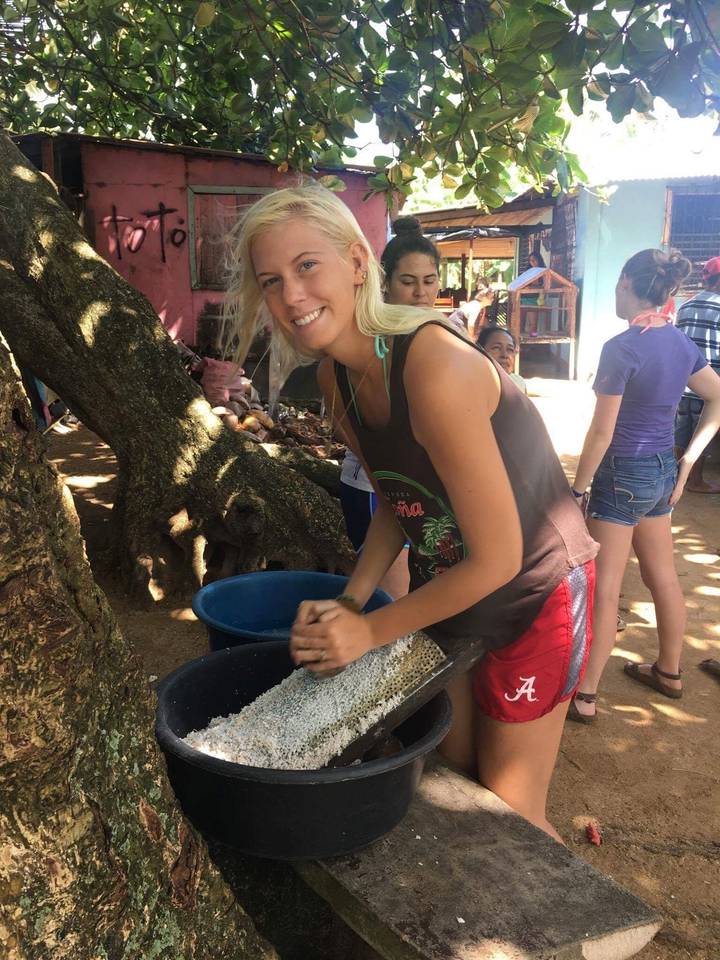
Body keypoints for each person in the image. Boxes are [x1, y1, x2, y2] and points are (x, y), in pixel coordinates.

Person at [225, 184, 598, 841]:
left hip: (536, 591)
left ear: (357, 264)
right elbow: (399, 503)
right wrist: (354, 598)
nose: (291, 296)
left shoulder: (432, 367)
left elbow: (502, 557)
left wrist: (372, 632)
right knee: (455, 775)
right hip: (451, 590)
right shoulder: (336, 381)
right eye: (272, 280)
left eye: (307, 266)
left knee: (510, 811)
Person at [569, 249, 720, 723]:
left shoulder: (622, 347)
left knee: (607, 587)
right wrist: (688, 461)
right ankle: (669, 671)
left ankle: (587, 694)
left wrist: (578, 488)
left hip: (620, 475)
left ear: (624, 282)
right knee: (663, 576)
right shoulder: (678, 342)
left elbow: (601, 433)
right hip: (660, 472)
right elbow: (717, 397)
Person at [339, 216, 441, 598]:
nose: (420, 293)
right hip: (374, 488)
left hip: (422, 489)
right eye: (408, 282)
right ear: (386, 283)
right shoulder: (374, 338)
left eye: (429, 281)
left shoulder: (439, 332)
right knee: (392, 604)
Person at [674, 255, 720, 493]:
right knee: (703, 431)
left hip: (683, 381)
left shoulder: (686, 306)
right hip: (711, 382)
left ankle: (675, 478)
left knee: (682, 429)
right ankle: (695, 481)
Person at [477, 325, 526, 394]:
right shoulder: (473, 383)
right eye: (496, 348)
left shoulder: (518, 383)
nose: (504, 355)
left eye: (510, 349)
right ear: (480, 351)